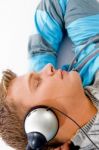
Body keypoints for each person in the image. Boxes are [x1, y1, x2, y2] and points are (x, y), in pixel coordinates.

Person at [0, 0, 99, 150]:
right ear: (43, 123)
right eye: (37, 82)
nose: (48, 67)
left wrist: (39, 60)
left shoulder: (90, 62)